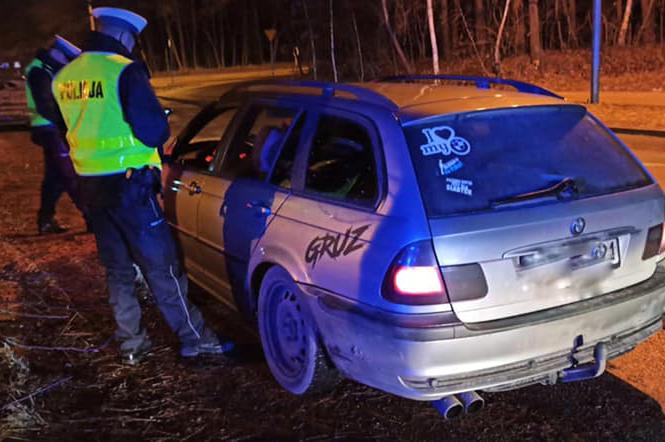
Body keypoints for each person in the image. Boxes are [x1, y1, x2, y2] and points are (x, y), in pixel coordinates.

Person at [52, 7, 234, 365]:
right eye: (132, 40)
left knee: (118, 270)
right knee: (162, 268)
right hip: (131, 187)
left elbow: (67, 129)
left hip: (91, 188)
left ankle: (132, 345)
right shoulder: (124, 70)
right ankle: (197, 341)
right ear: (123, 36)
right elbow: (154, 132)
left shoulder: (64, 76)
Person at [25, 36, 84, 234]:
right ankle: (93, 218)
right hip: (49, 128)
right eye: (66, 60)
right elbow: (45, 105)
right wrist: (66, 125)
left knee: (55, 177)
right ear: (57, 54)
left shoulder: (47, 69)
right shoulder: (39, 71)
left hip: (51, 128)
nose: (67, 65)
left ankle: (45, 220)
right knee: (70, 174)